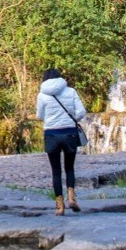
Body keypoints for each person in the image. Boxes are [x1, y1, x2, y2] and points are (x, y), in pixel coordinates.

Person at [36, 66, 88, 215]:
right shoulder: (71, 91)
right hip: (70, 133)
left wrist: (51, 119)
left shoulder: (42, 95)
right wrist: (71, 120)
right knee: (69, 167)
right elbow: (81, 112)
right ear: (59, 78)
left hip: (51, 134)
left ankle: (60, 206)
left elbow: (40, 116)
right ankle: (71, 198)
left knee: (56, 171)